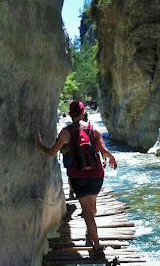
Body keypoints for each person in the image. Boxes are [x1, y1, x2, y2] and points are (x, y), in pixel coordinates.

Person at [35, 101, 117, 257]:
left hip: (78, 177)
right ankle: (91, 233)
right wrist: (111, 158)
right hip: (96, 175)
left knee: (87, 212)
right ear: (83, 112)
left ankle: (98, 247)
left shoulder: (67, 132)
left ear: (70, 113)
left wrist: (39, 144)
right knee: (91, 207)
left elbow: (52, 152)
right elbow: (104, 151)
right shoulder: (94, 129)